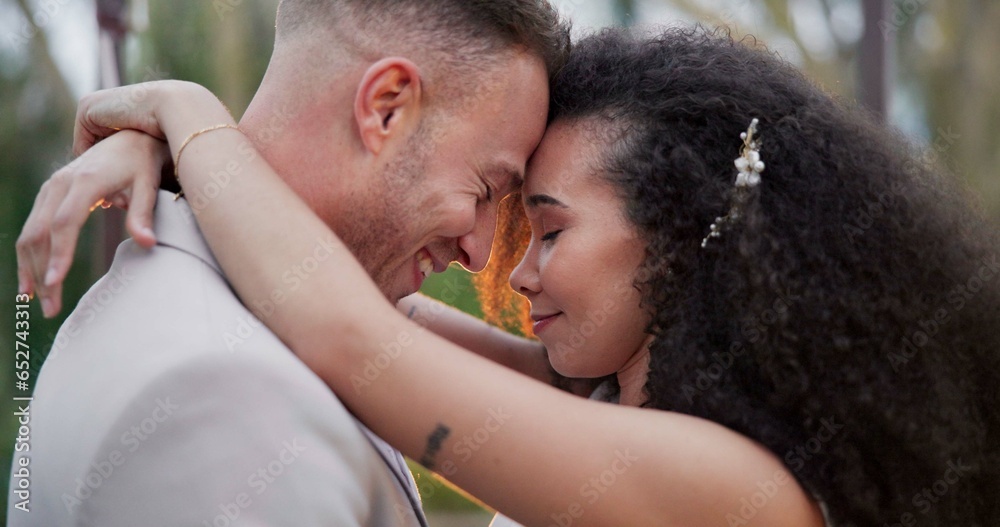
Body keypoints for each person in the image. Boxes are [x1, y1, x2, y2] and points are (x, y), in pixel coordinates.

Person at [20, 26, 1000, 526]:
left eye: (547, 230)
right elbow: (348, 287)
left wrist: (182, 112)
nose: (513, 272)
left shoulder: (733, 486)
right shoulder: (614, 401)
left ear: (678, 236)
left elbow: (352, 336)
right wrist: (184, 168)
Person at [9, 1, 568, 525]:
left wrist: (182, 127)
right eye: (483, 189)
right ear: (387, 107)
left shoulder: (203, 306)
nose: (479, 254)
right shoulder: (228, 399)